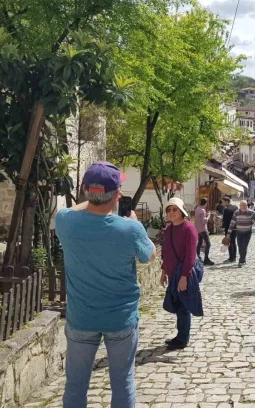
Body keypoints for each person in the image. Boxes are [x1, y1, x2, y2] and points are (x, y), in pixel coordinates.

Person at [55, 162, 156, 408]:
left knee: (76, 385)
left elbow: (75, 209)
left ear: (84, 189)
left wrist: (92, 199)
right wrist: (134, 222)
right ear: (118, 194)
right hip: (120, 319)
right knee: (122, 382)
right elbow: (149, 256)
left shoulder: (65, 222)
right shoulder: (130, 228)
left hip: (82, 319)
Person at [160, 197, 203, 351]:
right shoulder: (169, 229)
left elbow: (191, 255)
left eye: (174, 209)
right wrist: (164, 272)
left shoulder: (189, 229)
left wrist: (184, 277)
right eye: (169, 210)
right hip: (173, 272)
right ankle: (180, 335)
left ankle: (183, 338)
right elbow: (166, 252)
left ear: (181, 211)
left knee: (183, 305)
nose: (171, 212)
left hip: (186, 272)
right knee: (177, 304)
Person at [226, 200, 255, 267]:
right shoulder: (236, 212)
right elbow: (232, 223)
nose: (245, 206)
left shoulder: (250, 212)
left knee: (244, 246)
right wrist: (228, 233)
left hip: (247, 232)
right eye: (243, 205)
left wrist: (252, 222)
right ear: (240, 206)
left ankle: (241, 261)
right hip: (239, 232)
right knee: (240, 246)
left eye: (246, 205)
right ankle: (243, 259)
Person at [194, 198, 214, 266]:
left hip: (198, 229)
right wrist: (208, 215)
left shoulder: (197, 209)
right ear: (206, 203)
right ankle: (206, 259)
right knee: (208, 244)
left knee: (199, 243)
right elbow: (204, 221)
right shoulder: (202, 210)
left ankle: (198, 257)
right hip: (203, 229)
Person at [222, 197, 239, 263]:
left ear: (227, 201)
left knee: (229, 242)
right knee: (233, 242)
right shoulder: (235, 207)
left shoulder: (227, 210)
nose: (223, 203)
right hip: (236, 228)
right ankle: (234, 257)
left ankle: (231, 258)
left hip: (229, 228)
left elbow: (225, 221)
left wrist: (223, 226)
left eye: (223, 202)